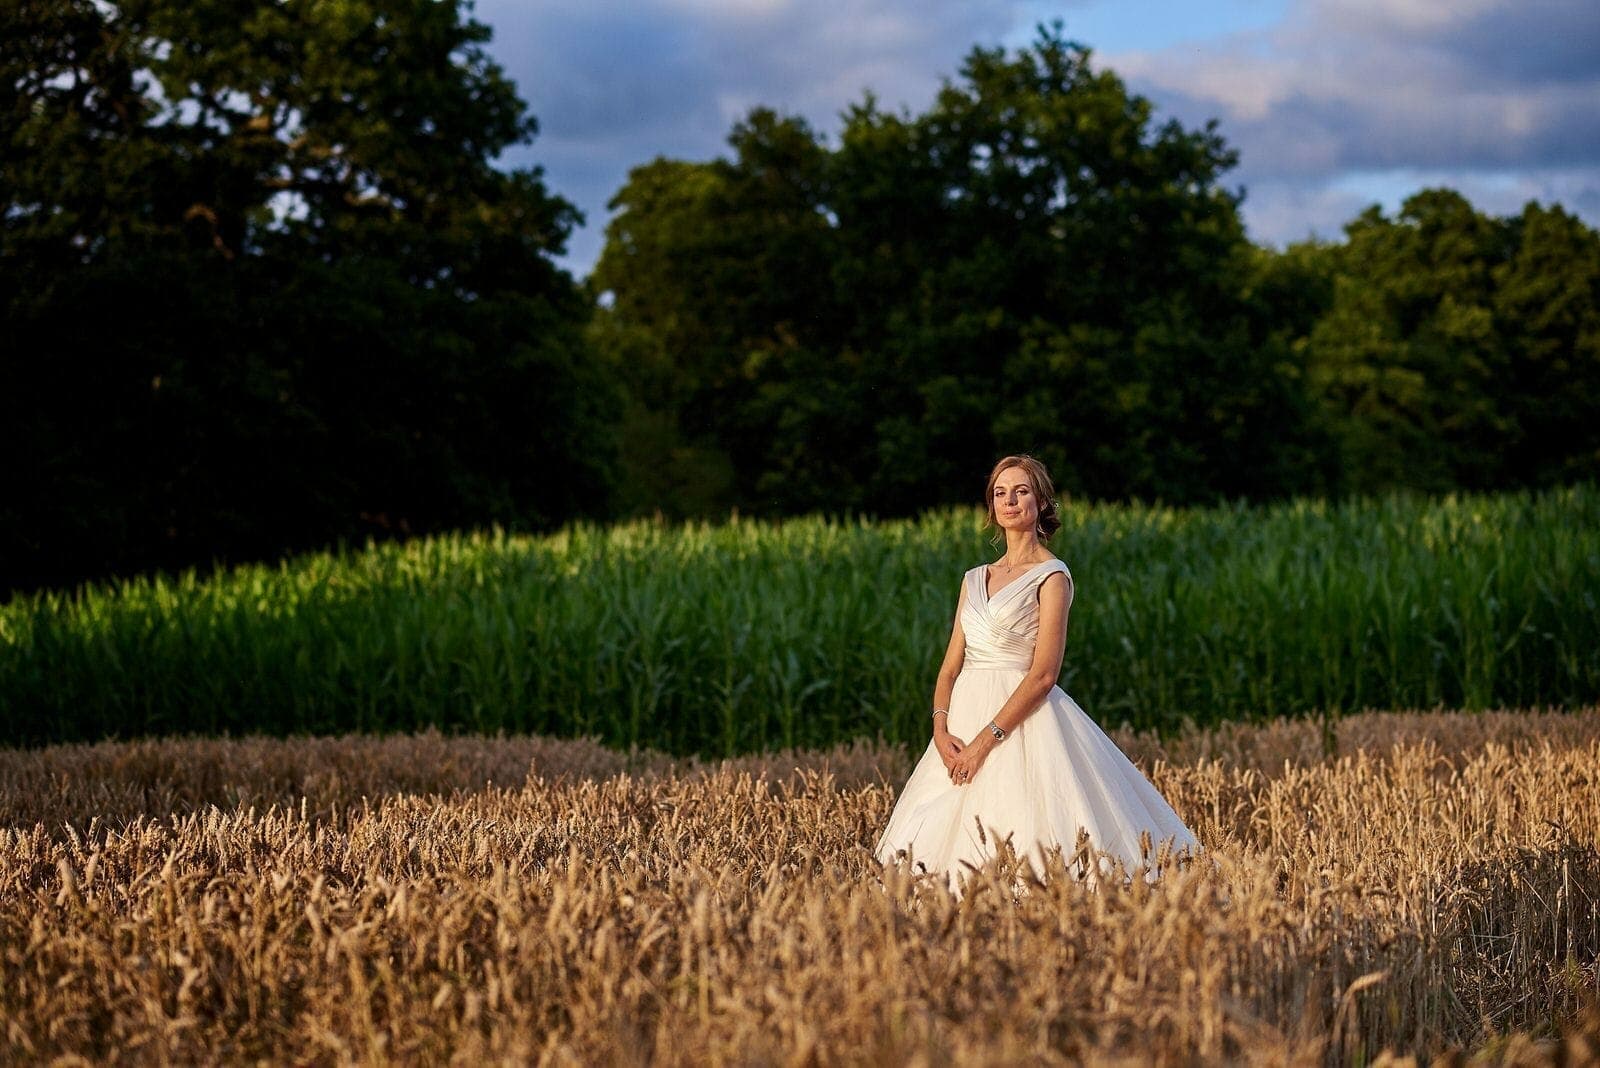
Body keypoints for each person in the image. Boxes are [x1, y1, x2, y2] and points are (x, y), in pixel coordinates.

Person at [874, 454, 1200, 895]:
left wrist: (984, 744)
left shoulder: (1052, 576)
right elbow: (951, 665)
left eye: (1021, 491)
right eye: (1000, 493)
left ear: (1041, 502)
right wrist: (940, 727)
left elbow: (1044, 675)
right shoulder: (973, 579)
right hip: (960, 723)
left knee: (1030, 830)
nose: (1010, 501)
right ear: (992, 507)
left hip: (1021, 719)